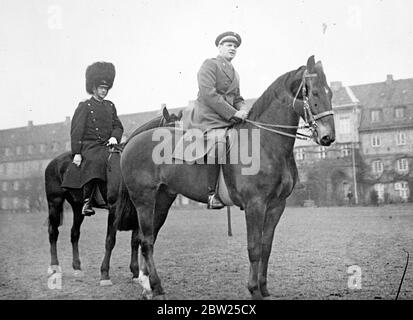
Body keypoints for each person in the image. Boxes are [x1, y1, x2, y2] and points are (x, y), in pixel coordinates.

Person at [181, 31, 250, 209]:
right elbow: (208, 94)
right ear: (219, 47)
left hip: (226, 118)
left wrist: (243, 108)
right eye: (229, 45)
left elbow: (238, 97)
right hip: (207, 117)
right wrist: (233, 113)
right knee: (219, 141)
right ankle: (211, 194)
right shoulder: (209, 65)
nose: (233, 48)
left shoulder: (235, 74)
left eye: (235, 46)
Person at [62, 62, 124, 216]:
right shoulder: (85, 106)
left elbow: (118, 126)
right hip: (90, 146)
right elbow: (76, 131)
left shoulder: (110, 106)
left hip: (108, 144)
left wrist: (114, 137)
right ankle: (87, 201)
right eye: (101, 88)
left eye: (106, 89)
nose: (104, 91)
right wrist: (77, 152)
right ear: (94, 88)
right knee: (97, 161)